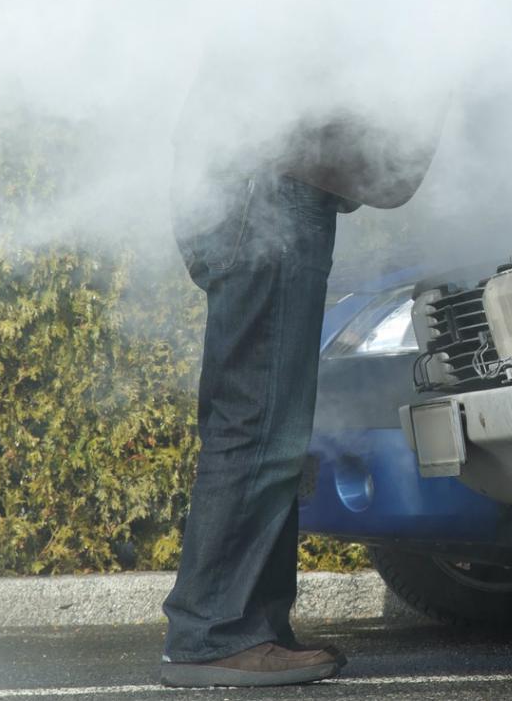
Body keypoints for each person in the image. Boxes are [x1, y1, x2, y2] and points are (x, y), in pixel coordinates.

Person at [158, 54, 437, 688]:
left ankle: (251, 625)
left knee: (264, 420)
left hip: (251, 189)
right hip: (266, 196)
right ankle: (213, 633)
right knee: (259, 422)